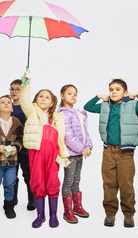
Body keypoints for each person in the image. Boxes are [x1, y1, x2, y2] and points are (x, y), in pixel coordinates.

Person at [84, 78, 138, 228]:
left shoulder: (133, 105)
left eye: (117, 89)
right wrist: (98, 97)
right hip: (108, 150)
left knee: (126, 183)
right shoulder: (104, 106)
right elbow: (87, 107)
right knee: (109, 183)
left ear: (125, 92)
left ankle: (128, 214)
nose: (114, 92)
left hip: (126, 153)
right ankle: (110, 212)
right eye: (111, 90)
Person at [19, 71, 70, 228]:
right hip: (36, 152)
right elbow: (24, 100)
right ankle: (40, 215)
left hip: (53, 154)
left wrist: (65, 155)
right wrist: (25, 84)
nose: (43, 99)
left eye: (47, 97)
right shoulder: (32, 111)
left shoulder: (57, 117)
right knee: (37, 181)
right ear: (36, 99)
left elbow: (61, 138)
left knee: (52, 181)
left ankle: (53, 215)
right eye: (40, 96)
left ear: (52, 102)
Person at [57, 84, 93, 224]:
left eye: (75, 94)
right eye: (69, 93)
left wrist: (88, 146)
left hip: (79, 154)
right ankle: (67, 211)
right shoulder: (62, 114)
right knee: (68, 181)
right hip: (69, 154)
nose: (73, 96)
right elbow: (67, 136)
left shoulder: (80, 113)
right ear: (62, 95)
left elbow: (85, 132)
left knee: (77, 180)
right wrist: (81, 149)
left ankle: (77, 207)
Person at [0, 95, 23, 219]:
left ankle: (9, 207)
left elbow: (20, 138)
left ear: (12, 108)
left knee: (10, 185)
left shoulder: (16, 123)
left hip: (12, 162)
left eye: (8, 102)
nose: (6, 104)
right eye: (2, 102)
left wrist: (16, 147)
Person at [9, 79, 36, 210]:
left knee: (28, 175)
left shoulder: (28, 108)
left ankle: (32, 199)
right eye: (12, 89)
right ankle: (12, 199)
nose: (14, 91)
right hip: (11, 148)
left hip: (25, 147)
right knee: (12, 175)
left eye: (18, 89)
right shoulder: (7, 106)